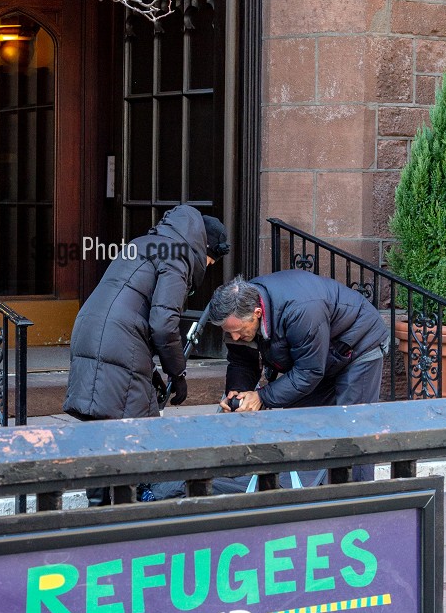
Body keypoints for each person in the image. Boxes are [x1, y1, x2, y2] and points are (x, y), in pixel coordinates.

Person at [63, 205, 229, 504]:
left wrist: (153, 372)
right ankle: (128, 516)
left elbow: (129, 301)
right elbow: (164, 325)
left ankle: (98, 512)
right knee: (137, 434)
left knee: (104, 432)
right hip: (119, 340)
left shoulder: (142, 243)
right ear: (204, 247)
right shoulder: (178, 256)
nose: (206, 266)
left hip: (90, 330)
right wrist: (177, 374)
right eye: (210, 260)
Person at [208, 271, 390, 483]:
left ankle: (359, 501)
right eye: (229, 333)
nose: (235, 337)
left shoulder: (300, 310)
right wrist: (237, 392)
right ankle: (312, 496)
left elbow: (309, 372)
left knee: (354, 429)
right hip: (319, 358)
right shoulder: (240, 313)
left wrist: (261, 397)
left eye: (238, 331)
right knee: (305, 424)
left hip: (358, 347)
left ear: (257, 313)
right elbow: (241, 362)